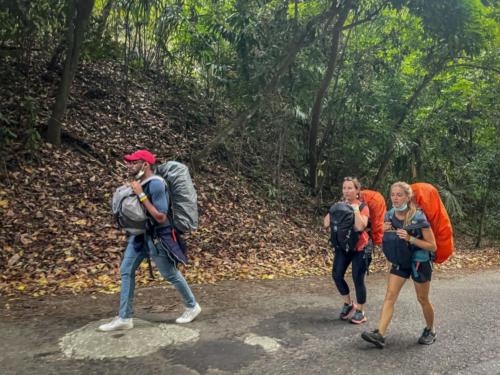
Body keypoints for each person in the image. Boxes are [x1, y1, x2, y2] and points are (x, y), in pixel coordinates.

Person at [99, 150, 201, 331]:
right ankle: (124, 318)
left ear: (145, 164)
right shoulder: (141, 182)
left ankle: (192, 306)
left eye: (133, 162)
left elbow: (160, 217)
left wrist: (141, 194)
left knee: (170, 274)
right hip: (140, 236)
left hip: (157, 237)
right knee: (126, 270)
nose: (128, 165)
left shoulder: (156, 184)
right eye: (129, 162)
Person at [361, 181, 437, 348]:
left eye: (399, 195)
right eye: (393, 194)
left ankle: (430, 330)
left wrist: (411, 238)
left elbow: (432, 246)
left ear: (408, 197)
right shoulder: (388, 215)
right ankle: (380, 334)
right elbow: (387, 240)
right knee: (390, 295)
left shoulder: (419, 217)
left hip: (420, 261)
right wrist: (384, 230)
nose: (395, 198)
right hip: (401, 259)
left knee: (422, 298)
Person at [324, 177, 370, 324]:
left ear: (357, 191)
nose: (346, 191)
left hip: (360, 248)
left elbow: (361, 227)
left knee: (357, 278)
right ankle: (349, 304)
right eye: (344, 188)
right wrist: (334, 210)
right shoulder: (339, 206)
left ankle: (360, 311)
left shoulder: (363, 207)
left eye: (350, 188)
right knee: (337, 275)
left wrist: (355, 211)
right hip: (343, 247)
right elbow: (326, 223)